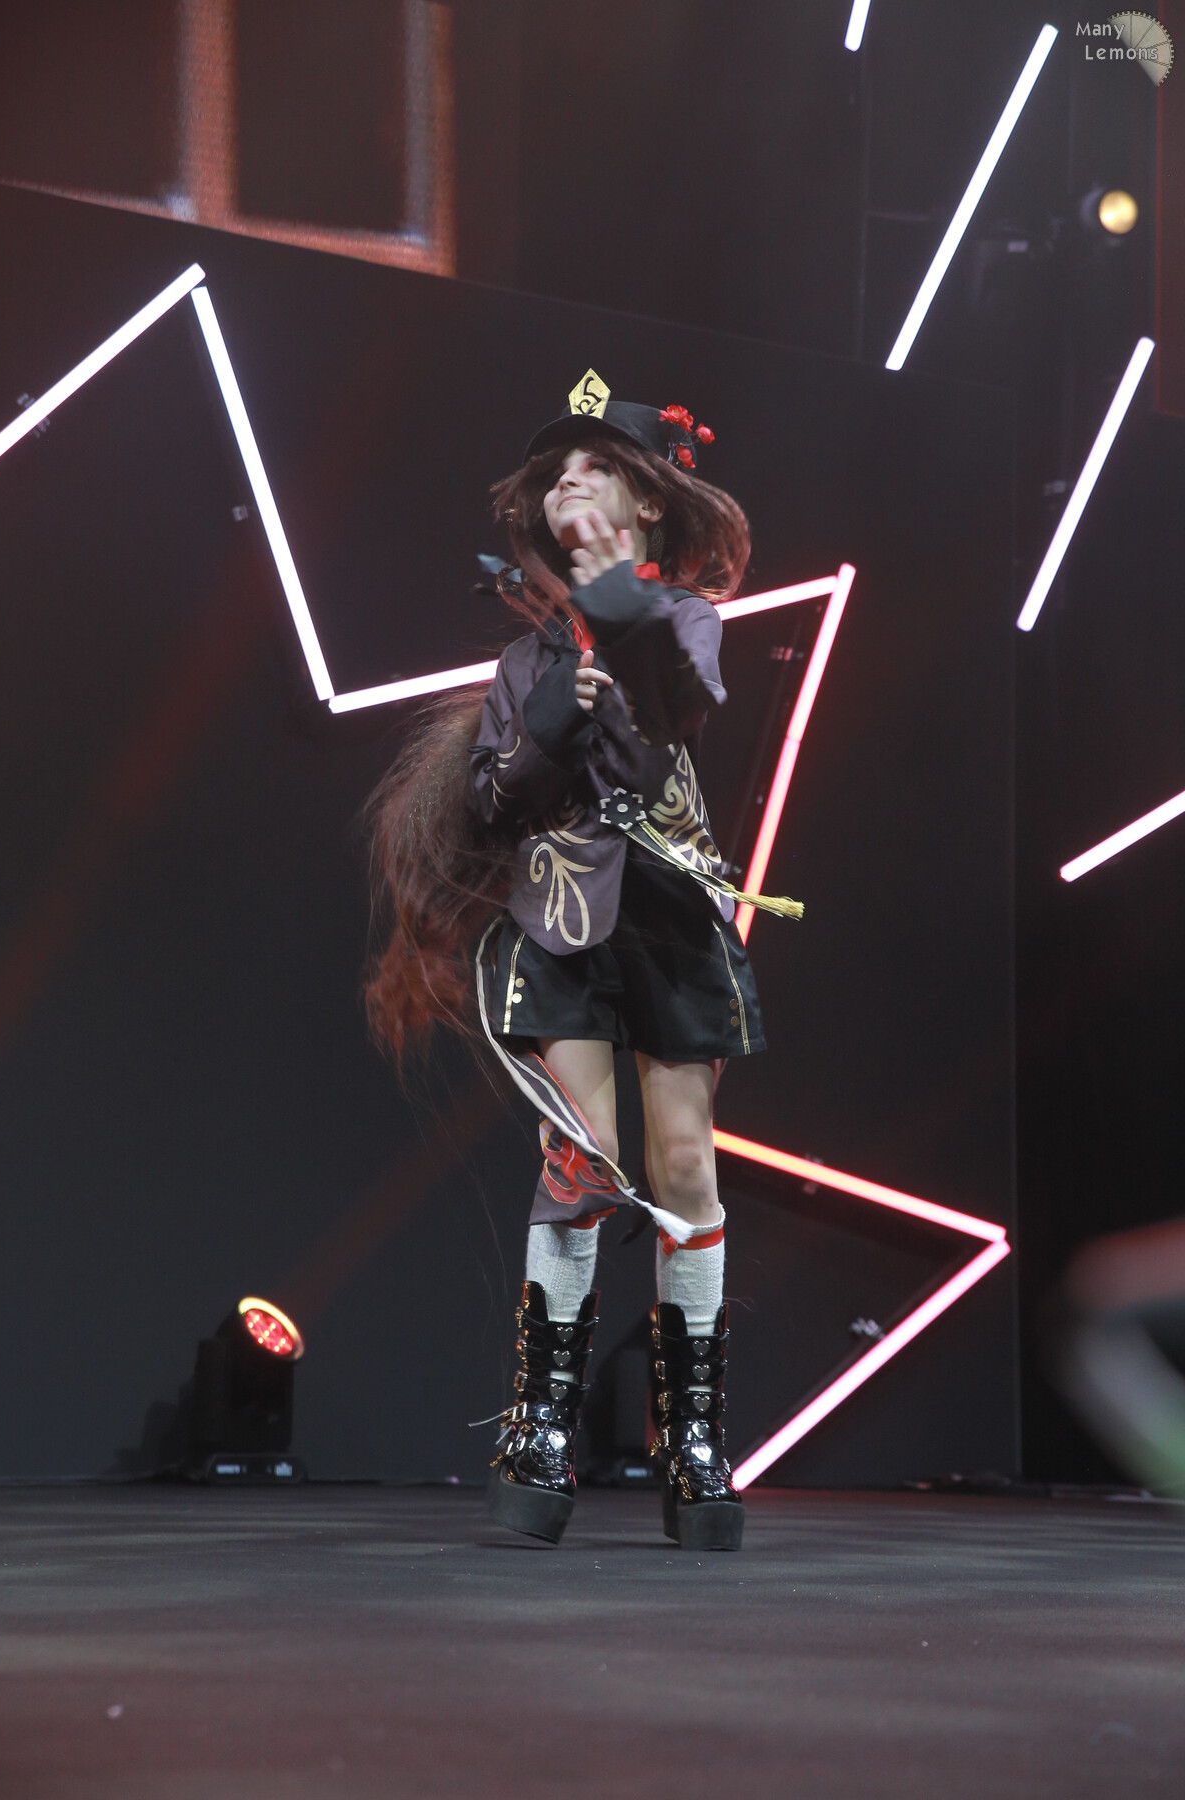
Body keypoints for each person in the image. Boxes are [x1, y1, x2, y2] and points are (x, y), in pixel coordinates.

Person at [364, 371, 801, 1551]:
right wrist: (557, 708)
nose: (570, 482)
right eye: (557, 473)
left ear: (649, 500)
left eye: (595, 465)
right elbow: (494, 800)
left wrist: (618, 607)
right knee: (587, 1157)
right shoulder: (529, 662)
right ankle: (539, 1429)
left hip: (669, 922)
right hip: (561, 918)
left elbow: (673, 719)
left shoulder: (683, 621)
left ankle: (694, 1442)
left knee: (686, 1165)